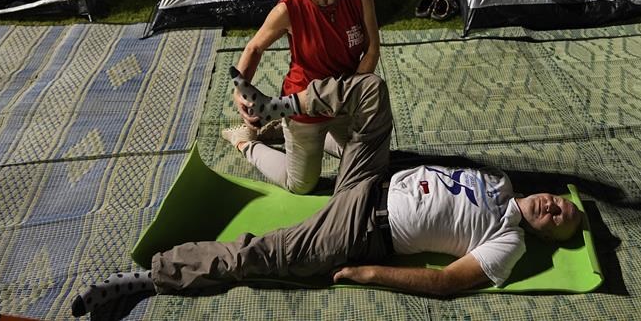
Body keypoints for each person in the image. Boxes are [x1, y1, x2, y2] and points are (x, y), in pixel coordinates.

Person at [70, 70, 581, 317]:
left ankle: (145, 279)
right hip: (370, 175)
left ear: (544, 234)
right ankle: (281, 107)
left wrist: (369, 272)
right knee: (373, 92)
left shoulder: (507, 244)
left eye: (558, 220)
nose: (555, 208)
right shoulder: (501, 183)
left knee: (259, 255)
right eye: (561, 203)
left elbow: (446, 282)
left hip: (362, 229)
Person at [221, 0, 381, 196]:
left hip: (343, 102)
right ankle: (247, 142)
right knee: (302, 185)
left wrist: (346, 95)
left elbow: (372, 49)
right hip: (303, 107)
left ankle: (279, 129)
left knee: (367, 167)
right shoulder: (290, 9)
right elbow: (254, 48)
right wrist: (240, 91)